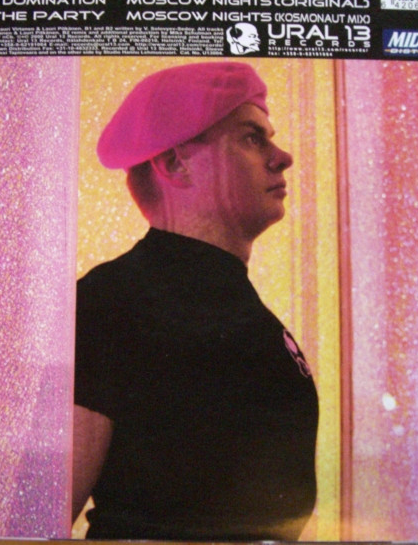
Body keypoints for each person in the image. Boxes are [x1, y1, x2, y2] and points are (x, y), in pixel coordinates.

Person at [73, 62, 318, 541]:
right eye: (252, 138)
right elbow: (36, 521)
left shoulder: (248, 314)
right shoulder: (112, 299)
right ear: (174, 165)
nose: (283, 157)